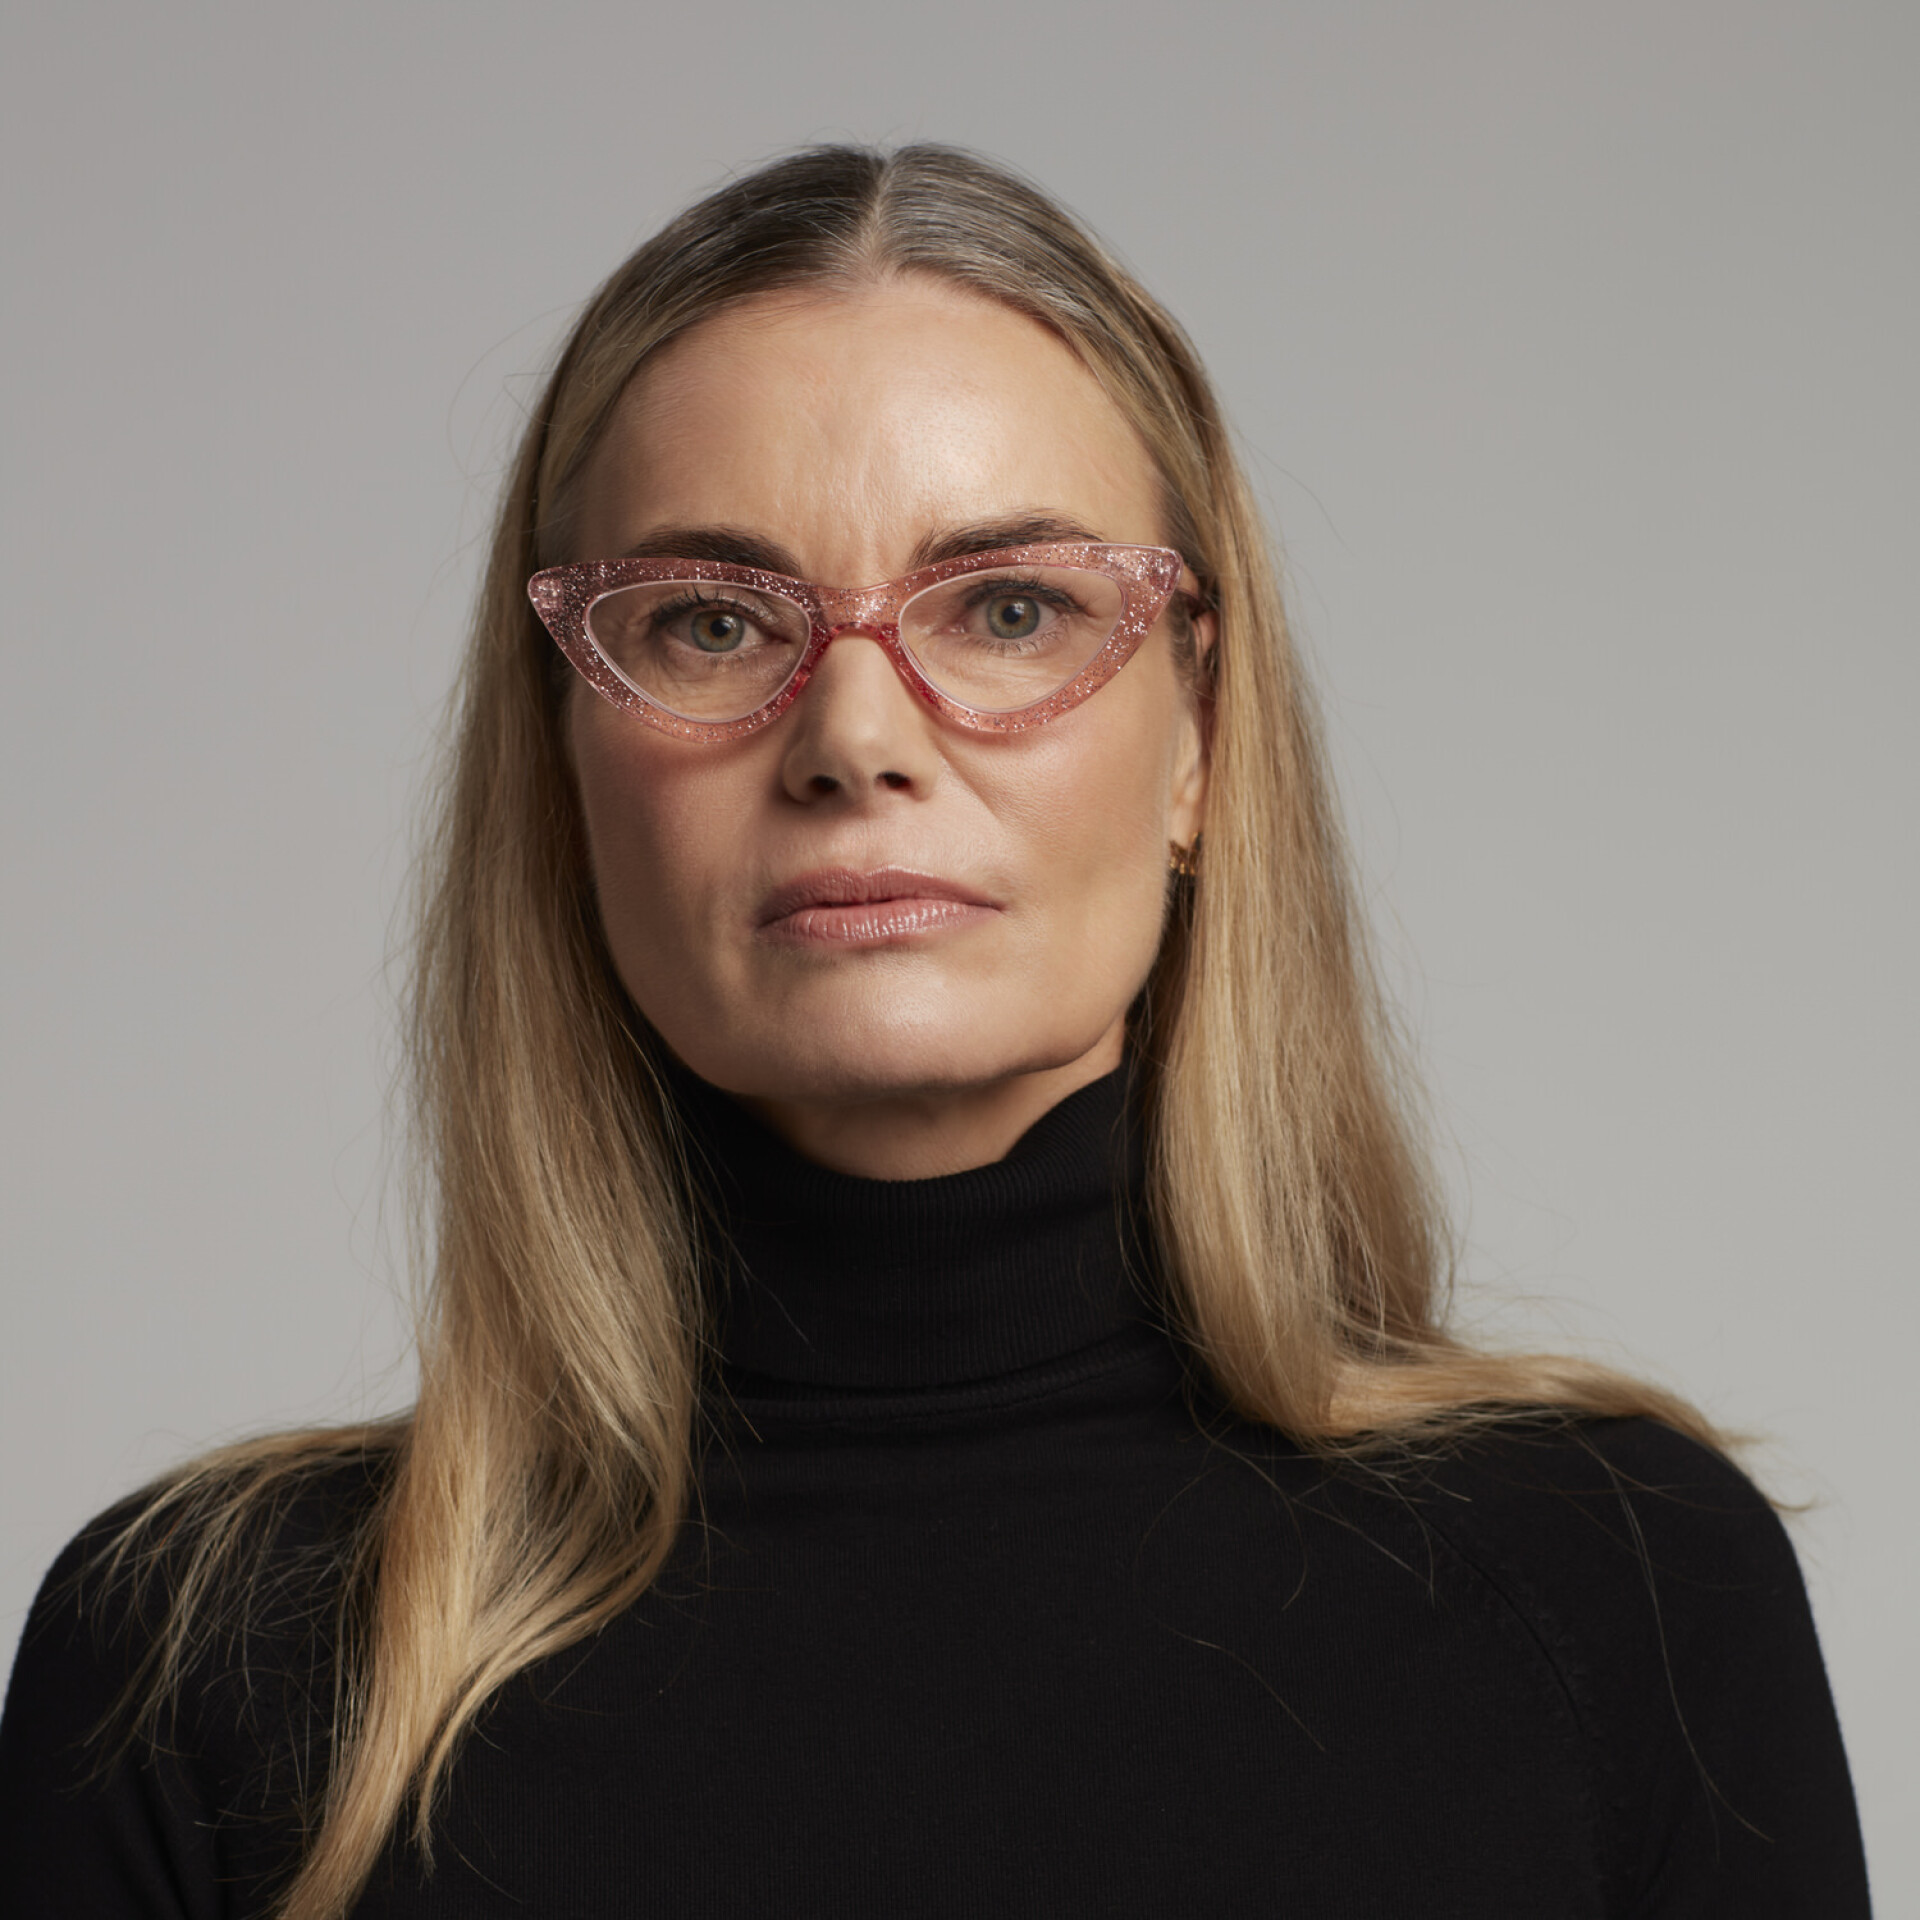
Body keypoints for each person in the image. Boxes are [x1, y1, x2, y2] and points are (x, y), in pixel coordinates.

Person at [0, 144, 1869, 1918]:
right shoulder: (202, 1665)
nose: (856, 737)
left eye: (1010, 608)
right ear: (560, 749)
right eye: (711, 623)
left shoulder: (1616, 1588)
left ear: (1200, 740)